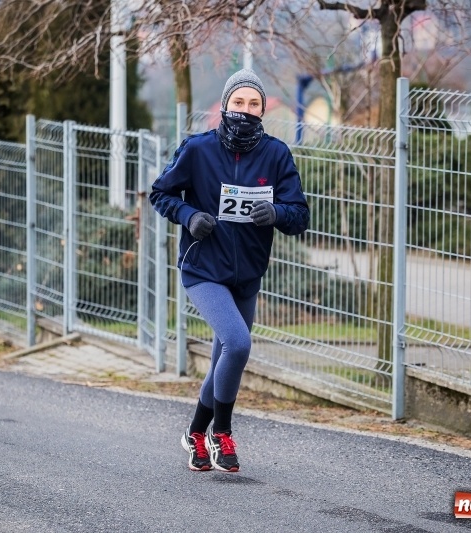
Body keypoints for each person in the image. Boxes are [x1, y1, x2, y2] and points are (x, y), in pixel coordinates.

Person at [149, 68, 309, 472]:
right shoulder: (198, 149)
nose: (246, 109)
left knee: (225, 356)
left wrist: (276, 213)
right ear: (224, 104)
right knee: (237, 344)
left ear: (262, 109)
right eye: (238, 101)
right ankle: (221, 432)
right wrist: (188, 216)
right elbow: (160, 193)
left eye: (254, 103)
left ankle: (194, 435)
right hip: (203, 268)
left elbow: (299, 215)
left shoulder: (276, 154)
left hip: (247, 275)